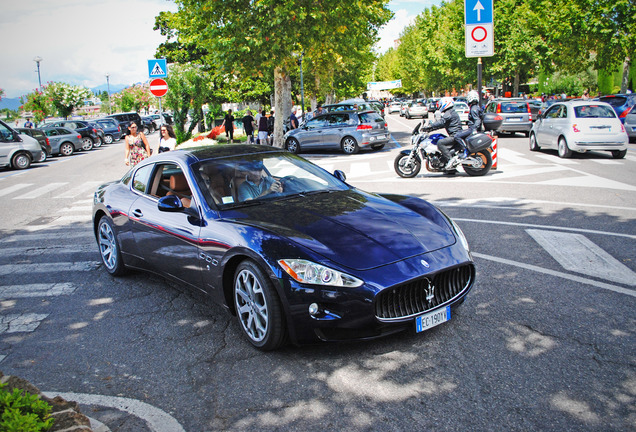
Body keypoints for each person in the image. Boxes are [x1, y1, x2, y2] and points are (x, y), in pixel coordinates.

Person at [420, 96, 463, 172]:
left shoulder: (449, 113)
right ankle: (448, 167)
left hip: (455, 136)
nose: (439, 105)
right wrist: (431, 129)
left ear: (446, 103)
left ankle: (451, 161)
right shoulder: (450, 112)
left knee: (440, 143)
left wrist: (430, 125)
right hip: (456, 135)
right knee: (439, 139)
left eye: (441, 103)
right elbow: (443, 124)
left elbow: (441, 122)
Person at [453, 90, 483, 158]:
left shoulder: (473, 109)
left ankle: (465, 151)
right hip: (472, 128)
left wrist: (474, 130)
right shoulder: (476, 107)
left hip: (472, 129)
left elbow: (477, 120)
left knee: (457, 136)